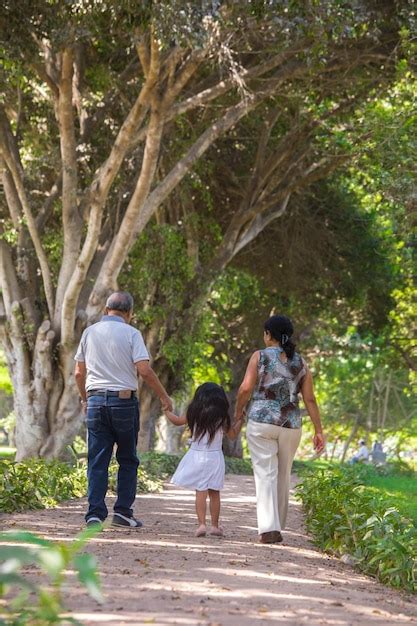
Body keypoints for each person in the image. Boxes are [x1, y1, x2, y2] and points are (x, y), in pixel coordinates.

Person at [74, 291, 172, 528]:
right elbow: (145, 371)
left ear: (106, 310)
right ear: (129, 313)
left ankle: (95, 514)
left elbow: (79, 372)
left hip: (95, 401)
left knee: (97, 460)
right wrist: (164, 397)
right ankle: (122, 513)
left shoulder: (89, 332)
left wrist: (85, 399)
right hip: (124, 403)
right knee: (127, 458)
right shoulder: (132, 333)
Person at [235, 315, 325, 544]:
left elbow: (245, 388)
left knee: (265, 473)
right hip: (291, 424)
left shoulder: (260, 356)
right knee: (283, 474)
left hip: (261, 421)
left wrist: (238, 414)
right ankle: (277, 526)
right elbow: (310, 399)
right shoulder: (301, 362)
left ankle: (268, 527)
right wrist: (319, 431)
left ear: (268, 334)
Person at [164, 382, 242, 538]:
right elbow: (232, 435)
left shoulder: (193, 412)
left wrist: (167, 412)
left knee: (200, 491)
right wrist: (241, 421)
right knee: (214, 492)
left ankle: (201, 525)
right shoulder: (222, 417)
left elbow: (177, 421)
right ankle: (215, 526)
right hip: (215, 457)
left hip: (197, 455)